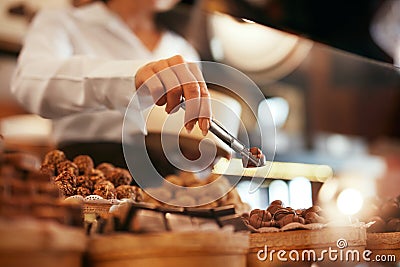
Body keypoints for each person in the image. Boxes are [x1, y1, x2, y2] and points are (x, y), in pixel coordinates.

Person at [11, 0, 211, 168]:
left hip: (166, 181)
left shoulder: (183, 49)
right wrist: (132, 77)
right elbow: (30, 83)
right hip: (85, 171)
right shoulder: (62, 21)